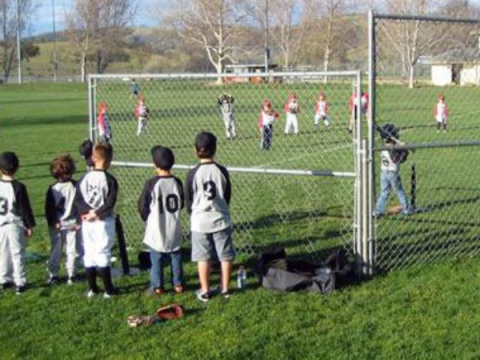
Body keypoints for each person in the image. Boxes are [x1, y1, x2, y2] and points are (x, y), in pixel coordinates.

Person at [185, 132, 235, 302]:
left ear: (195, 150)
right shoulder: (221, 170)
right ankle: (225, 289)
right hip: (220, 218)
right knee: (225, 255)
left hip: (200, 221)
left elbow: (189, 198)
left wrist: (193, 213)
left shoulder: (192, 173)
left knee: (202, 257)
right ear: (215, 149)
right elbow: (227, 195)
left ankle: (205, 291)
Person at [138, 146, 185, 296]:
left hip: (157, 227)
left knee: (156, 258)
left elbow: (142, 205)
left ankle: (157, 286)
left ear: (155, 165)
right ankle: (178, 284)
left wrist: (147, 217)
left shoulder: (152, 183)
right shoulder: (177, 181)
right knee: (175, 256)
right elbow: (182, 202)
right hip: (173, 225)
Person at [75, 142, 118, 299]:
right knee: (103, 252)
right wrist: (97, 213)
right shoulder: (110, 180)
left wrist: (87, 212)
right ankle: (108, 290)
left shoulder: (84, 178)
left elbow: (78, 198)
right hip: (103, 221)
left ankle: (93, 288)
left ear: (93, 158)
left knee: (90, 251)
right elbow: (110, 202)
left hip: (87, 221)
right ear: (110, 160)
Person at [0, 152, 35, 295]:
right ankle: (20, 282)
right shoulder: (19, 187)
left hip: (1, 224)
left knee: (3, 252)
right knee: (17, 253)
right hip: (14, 225)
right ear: (17, 167)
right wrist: (29, 225)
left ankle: (4, 279)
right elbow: (24, 209)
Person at [45, 154, 82, 286]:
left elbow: (48, 209)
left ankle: (53, 275)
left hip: (57, 224)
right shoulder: (76, 186)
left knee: (56, 249)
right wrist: (78, 221)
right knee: (72, 249)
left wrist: (53, 221)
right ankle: (71, 274)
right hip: (71, 222)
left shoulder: (52, 188)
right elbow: (79, 205)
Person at [374, 124, 410, 217]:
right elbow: (398, 159)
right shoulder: (392, 149)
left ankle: (377, 211)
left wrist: (401, 147)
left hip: (384, 173)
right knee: (399, 191)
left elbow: (395, 150)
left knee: (384, 192)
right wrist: (405, 151)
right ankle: (406, 209)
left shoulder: (385, 146)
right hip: (392, 173)